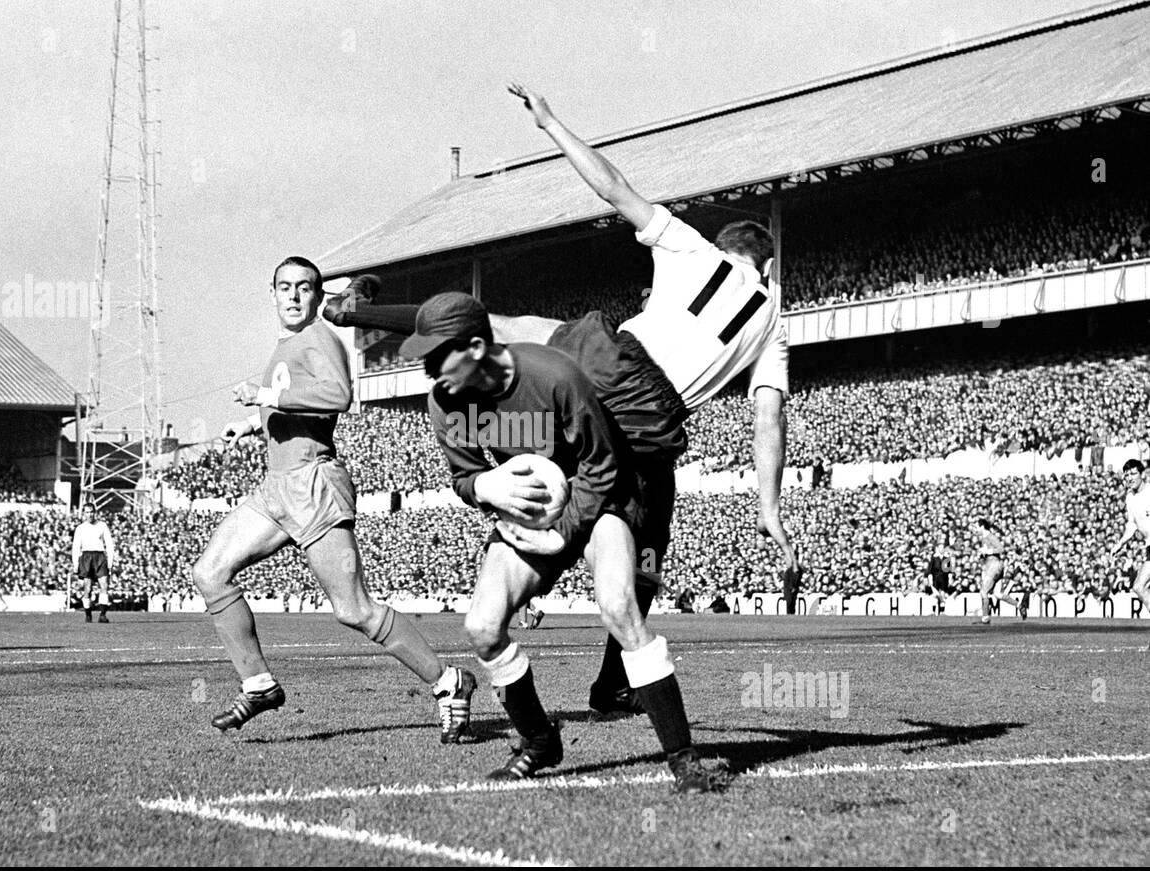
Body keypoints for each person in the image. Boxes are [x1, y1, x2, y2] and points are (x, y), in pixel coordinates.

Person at [323, 82, 803, 712]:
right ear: (765, 268)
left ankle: (360, 313)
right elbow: (769, 421)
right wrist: (768, 506)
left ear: (727, 250)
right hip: (647, 413)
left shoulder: (695, 248)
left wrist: (552, 124)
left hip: (602, 352)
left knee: (501, 327)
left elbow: (613, 187)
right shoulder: (773, 323)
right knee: (649, 536)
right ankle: (612, 680)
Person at [404, 290, 725, 793]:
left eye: (435, 355)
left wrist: (563, 529)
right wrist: (485, 487)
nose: (427, 370)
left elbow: (603, 465)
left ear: (473, 347)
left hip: (596, 504)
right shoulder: (444, 399)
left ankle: (684, 760)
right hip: (528, 515)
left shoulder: (553, 373)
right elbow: (465, 478)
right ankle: (538, 741)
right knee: (483, 627)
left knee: (620, 607)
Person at [191, 256, 476, 742]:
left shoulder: (320, 337)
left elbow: (338, 396)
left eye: (305, 287)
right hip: (277, 486)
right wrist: (255, 423)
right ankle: (258, 684)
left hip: (315, 486)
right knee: (210, 573)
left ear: (318, 296)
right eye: (285, 287)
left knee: (354, 610)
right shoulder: (285, 347)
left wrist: (265, 398)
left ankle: (449, 683)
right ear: (273, 294)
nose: (295, 296)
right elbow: (297, 404)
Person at [1110, 458, 1150, 613]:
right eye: (1127, 475)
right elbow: (1132, 524)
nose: (1130, 478)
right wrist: (1120, 543)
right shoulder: (1130, 497)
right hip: (1149, 546)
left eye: (1133, 474)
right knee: (1139, 587)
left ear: (1142, 474)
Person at [972, 518, 1028, 624]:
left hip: (994, 566)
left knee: (984, 591)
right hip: (993, 566)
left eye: (976, 526)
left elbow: (1001, 549)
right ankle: (1020, 606)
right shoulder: (984, 538)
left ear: (982, 527)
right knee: (998, 594)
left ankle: (985, 618)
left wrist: (988, 551)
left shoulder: (990, 536)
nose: (975, 529)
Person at [71, 502, 115, 623]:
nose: (89, 514)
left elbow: (109, 544)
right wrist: (75, 564)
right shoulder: (80, 528)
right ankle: (88, 614)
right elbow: (76, 547)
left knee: (104, 585)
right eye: (87, 512)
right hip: (86, 557)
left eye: (91, 512)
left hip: (100, 556)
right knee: (87, 588)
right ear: (83, 513)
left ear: (95, 513)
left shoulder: (102, 526)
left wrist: (110, 562)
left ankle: (103, 615)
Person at [926, 532, 955, 614]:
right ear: (938, 548)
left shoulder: (946, 558)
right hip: (935, 579)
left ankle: (942, 611)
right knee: (935, 595)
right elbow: (930, 570)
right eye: (940, 548)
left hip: (944, 579)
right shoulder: (934, 558)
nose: (941, 549)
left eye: (943, 548)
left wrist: (950, 579)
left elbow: (949, 571)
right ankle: (934, 611)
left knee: (942, 595)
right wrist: (930, 579)